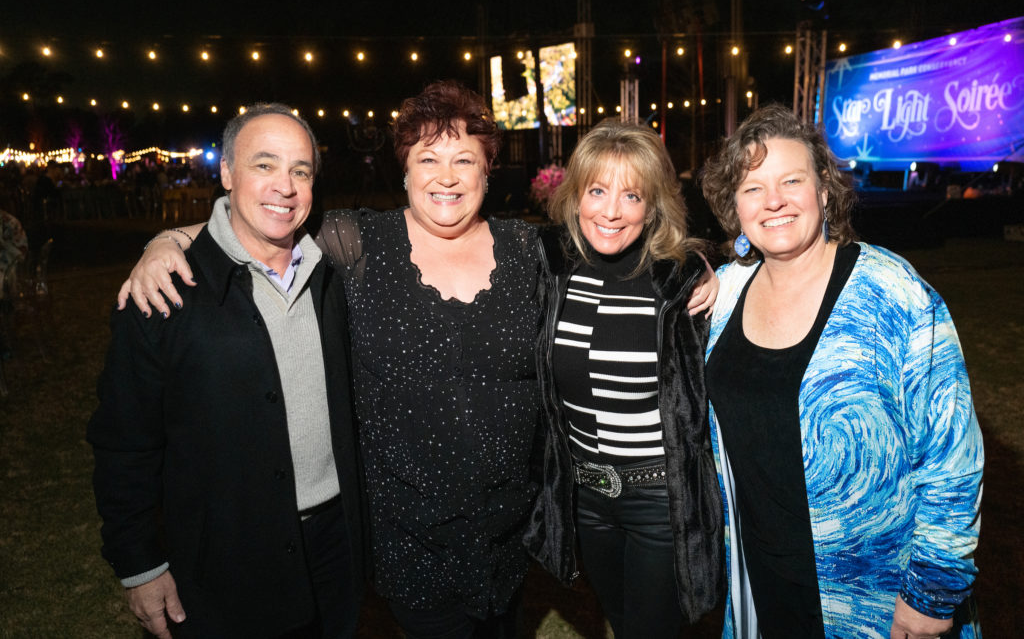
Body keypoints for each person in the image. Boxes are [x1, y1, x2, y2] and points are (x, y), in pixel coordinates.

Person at [118, 83, 718, 638]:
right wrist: (166, 242)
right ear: (403, 171)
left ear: (489, 171)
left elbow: (622, 246)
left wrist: (703, 264)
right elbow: (263, 222)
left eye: (465, 160)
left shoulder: (532, 250)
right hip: (409, 540)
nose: (447, 177)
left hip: (509, 536)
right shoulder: (355, 244)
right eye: (428, 159)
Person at [700, 104, 983, 639]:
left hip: (873, 594)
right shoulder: (730, 290)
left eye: (791, 180)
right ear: (734, 206)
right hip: (760, 579)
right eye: (752, 188)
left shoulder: (891, 292)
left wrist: (931, 594)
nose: (774, 200)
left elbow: (953, 460)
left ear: (825, 190)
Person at [89, 104, 366, 638]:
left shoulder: (333, 269)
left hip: (334, 546)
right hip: (223, 562)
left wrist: (166, 234)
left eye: (301, 171)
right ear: (226, 173)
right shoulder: (166, 291)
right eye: (264, 165)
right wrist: (139, 563)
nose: (284, 186)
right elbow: (123, 442)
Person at [525, 120, 723, 638]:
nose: (611, 211)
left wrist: (711, 268)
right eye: (597, 190)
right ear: (574, 195)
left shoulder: (676, 280)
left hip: (660, 501)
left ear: (652, 207)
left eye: (631, 196)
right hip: (585, 499)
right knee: (618, 618)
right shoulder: (551, 266)